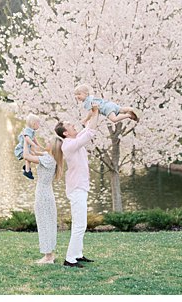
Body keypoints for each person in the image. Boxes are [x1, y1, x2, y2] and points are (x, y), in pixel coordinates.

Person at [55, 103, 101, 268]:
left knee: (81, 223)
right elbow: (90, 133)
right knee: (79, 224)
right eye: (70, 126)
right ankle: (69, 259)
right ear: (65, 133)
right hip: (77, 189)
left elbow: (88, 128)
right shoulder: (69, 144)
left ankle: (78, 254)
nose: (74, 126)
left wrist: (94, 113)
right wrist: (95, 112)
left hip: (80, 187)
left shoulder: (73, 140)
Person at [21, 138, 62, 264]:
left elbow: (26, 155)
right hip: (45, 192)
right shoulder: (48, 156)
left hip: (43, 194)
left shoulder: (49, 159)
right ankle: (49, 254)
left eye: (49, 142)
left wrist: (25, 140)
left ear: (53, 147)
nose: (47, 143)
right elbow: (34, 151)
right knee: (46, 223)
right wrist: (32, 140)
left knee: (44, 223)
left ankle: (48, 257)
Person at [73, 84, 140, 123]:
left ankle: (129, 115)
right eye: (76, 95)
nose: (77, 96)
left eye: (79, 94)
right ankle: (133, 109)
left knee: (114, 119)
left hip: (106, 109)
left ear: (86, 93)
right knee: (122, 109)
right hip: (109, 104)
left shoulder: (87, 102)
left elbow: (91, 112)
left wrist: (86, 119)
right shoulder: (91, 97)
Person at [14, 113, 44, 180]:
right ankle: (27, 171)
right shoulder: (28, 130)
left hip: (25, 149)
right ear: (34, 124)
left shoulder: (32, 131)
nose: (39, 125)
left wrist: (39, 145)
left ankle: (26, 167)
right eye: (38, 124)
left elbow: (33, 139)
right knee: (29, 156)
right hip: (21, 149)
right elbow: (27, 138)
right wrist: (34, 145)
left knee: (32, 154)